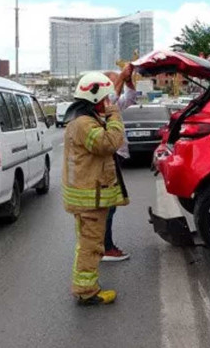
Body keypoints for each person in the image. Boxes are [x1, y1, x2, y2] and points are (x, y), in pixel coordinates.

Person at [62, 72, 128, 306]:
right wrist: (115, 115)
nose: (108, 103)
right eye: (105, 99)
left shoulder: (82, 120)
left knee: (87, 245)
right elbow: (109, 143)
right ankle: (86, 291)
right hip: (90, 198)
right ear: (95, 98)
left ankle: (84, 286)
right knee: (91, 246)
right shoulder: (84, 124)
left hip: (89, 195)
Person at [101, 66, 138, 262]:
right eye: (116, 82)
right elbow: (113, 102)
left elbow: (130, 98)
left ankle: (104, 245)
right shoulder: (103, 105)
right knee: (109, 205)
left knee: (111, 204)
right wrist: (121, 79)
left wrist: (128, 80)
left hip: (117, 155)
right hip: (109, 156)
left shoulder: (112, 103)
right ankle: (106, 247)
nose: (120, 85)